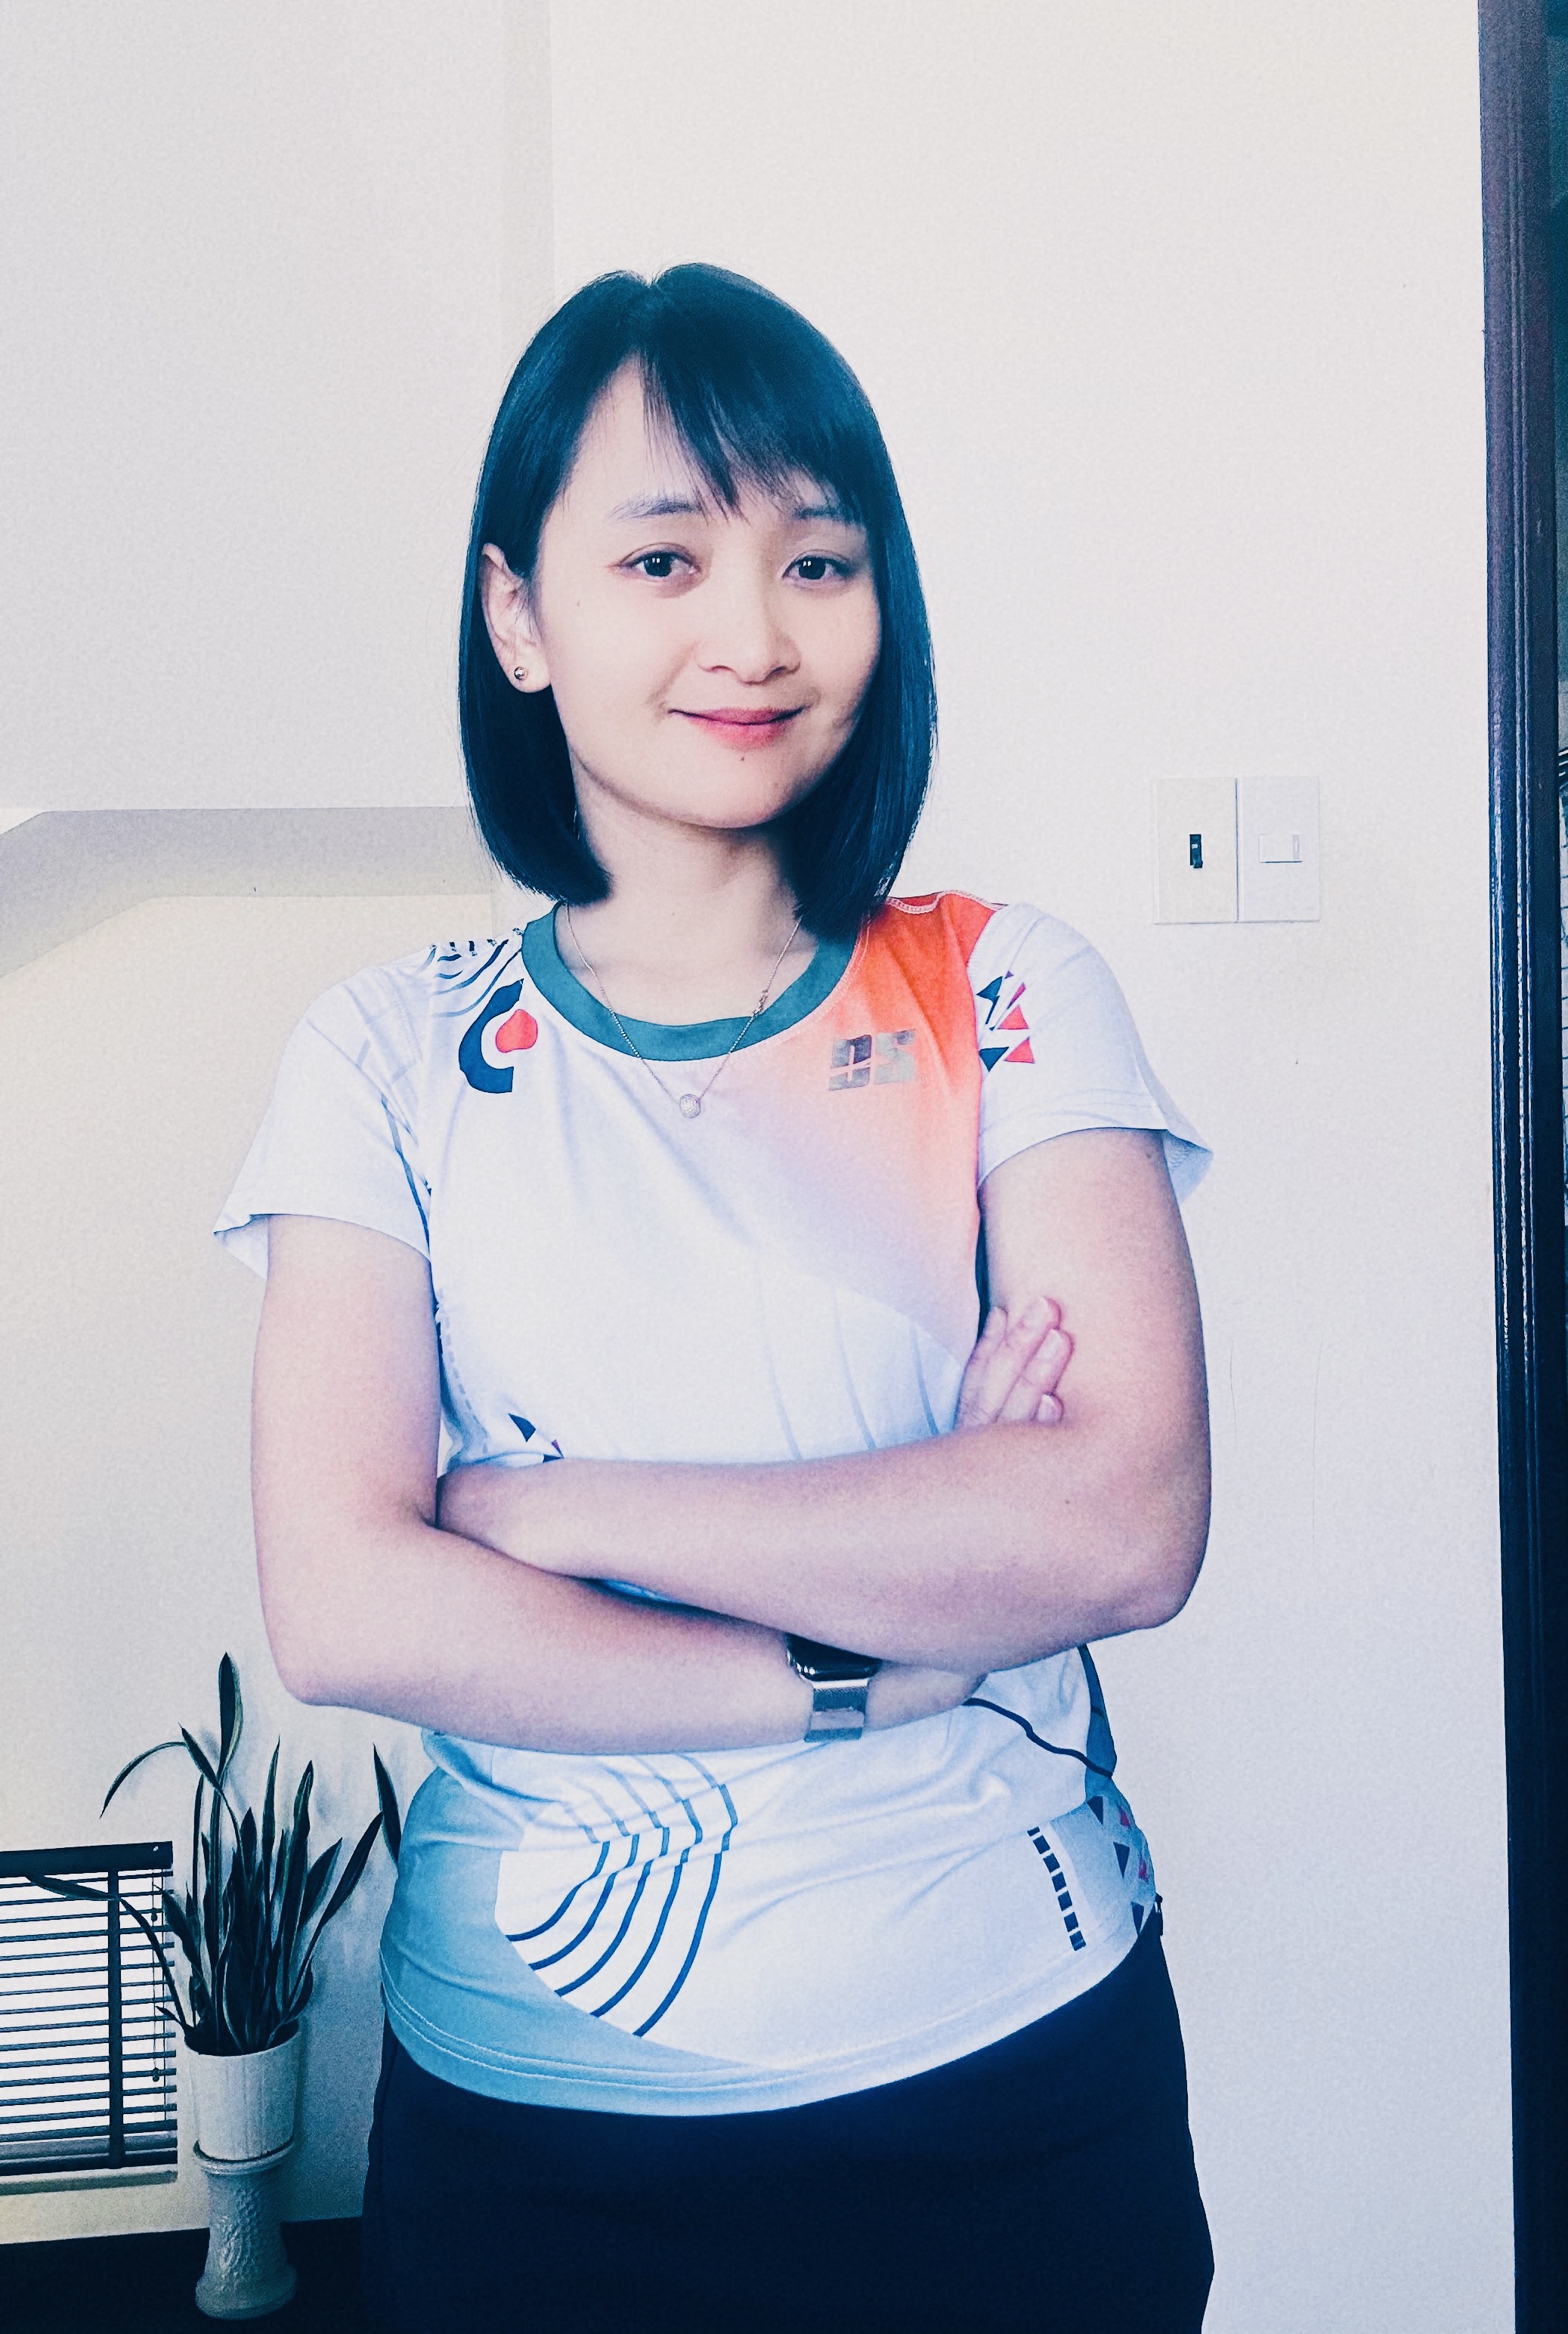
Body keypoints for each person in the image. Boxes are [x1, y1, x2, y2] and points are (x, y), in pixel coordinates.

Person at [214, 265, 1214, 2334]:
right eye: (663, 557)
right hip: (540, 2134)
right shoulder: (384, 1056)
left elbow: (1119, 1527)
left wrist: (547, 1514)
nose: (753, 634)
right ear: (518, 615)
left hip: (1011, 2075)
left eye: (816, 562)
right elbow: (351, 1608)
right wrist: (874, 1641)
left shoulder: (1003, 985)